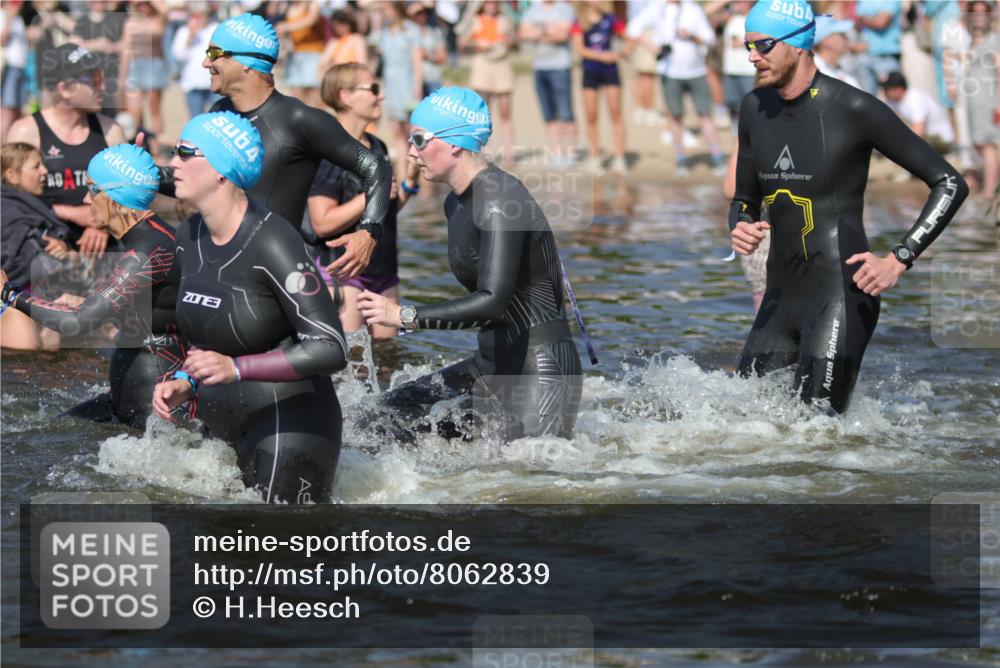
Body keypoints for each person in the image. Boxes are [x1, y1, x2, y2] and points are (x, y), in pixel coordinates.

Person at [729, 0, 968, 414]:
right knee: (743, 421)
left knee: (820, 441)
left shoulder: (854, 108)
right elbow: (745, 199)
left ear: (799, 44)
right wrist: (741, 224)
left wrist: (899, 258)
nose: (753, 57)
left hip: (840, 295)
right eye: (748, 46)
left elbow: (949, 183)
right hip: (780, 297)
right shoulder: (754, 109)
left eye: (763, 45)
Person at [358, 88, 583, 441]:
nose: (411, 151)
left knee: (528, 479)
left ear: (455, 144)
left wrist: (402, 315)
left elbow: (493, 301)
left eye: (419, 139)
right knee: (378, 419)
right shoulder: (456, 204)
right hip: (490, 361)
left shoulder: (499, 200)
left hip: (540, 369)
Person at [152, 111, 348, 504]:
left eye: (185, 152)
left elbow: (332, 347)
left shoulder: (273, 241)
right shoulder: (188, 235)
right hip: (223, 418)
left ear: (223, 170)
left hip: (290, 424)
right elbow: (213, 332)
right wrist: (187, 380)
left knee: (278, 553)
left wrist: (236, 369)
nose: (173, 162)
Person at [160, 13, 392, 281]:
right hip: (219, 267)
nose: (204, 62)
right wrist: (134, 174)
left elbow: (376, 167)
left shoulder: (299, 120)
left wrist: (369, 232)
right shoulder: (219, 113)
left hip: (272, 277)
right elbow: (191, 179)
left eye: (214, 53)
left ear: (247, 63)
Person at [1, 144, 183, 428]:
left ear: (114, 197)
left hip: (153, 401)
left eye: (93, 190)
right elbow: (149, 305)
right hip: (131, 388)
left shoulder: (147, 251)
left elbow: (77, 323)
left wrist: (9, 294)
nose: (86, 199)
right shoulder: (146, 237)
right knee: (45, 431)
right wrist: (89, 299)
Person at [308, 63, 420, 340]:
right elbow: (321, 223)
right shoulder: (329, 152)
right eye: (373, 89)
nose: (381, 96)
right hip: (345, 272)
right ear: (345, 96)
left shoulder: (378, 146)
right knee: (351, 362)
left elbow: (386, 210)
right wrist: (374, 192)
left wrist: (410, 183)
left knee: (386, 357)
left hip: (384, 269)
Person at [6, 43, 127, 257]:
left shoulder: (111, 131)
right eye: (93, 80)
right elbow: (10, 200)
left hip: (102, 251)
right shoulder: (26, 131)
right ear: (65, 89)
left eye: (101, 77)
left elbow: (131, 192)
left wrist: (104, 222)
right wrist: (69, 213)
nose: (102, 86)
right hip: (46, 248)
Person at [627, 0, 726, 177]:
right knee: (675, 117)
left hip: (696, 71)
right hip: (669, 72)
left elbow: (710, 38)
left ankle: (717, 157)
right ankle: (681, 160)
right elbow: (632, 29)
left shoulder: (692, 8)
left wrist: (692, 35)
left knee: (705, 115)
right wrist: (654, 47)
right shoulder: (657, 7)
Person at [0, 142, 73, 351]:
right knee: (28, 360)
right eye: (36, 166)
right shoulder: (5, 211)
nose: (45, 171)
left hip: (40, 300)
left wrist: (63, 248)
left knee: (51, 357)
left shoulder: (39, 208)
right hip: (11, 306)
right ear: (12, 175)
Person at [572, 0, 629, 175]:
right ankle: (594, 157)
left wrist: (620, 54)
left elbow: (630, 38)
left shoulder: (611, 19)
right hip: (590, 72)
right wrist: (601, 56)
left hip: (610, 72)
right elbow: (579, 49)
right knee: (591, 116)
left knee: (616, 113)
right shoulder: (579, 21)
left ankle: (619, 158)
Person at [518, 0, 577, 166]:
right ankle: (556, 152)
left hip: (560, 66)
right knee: (549, 114)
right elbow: (522, 34)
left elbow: (562, 35)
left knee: (566, 113)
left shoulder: (565, 9)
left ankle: (571, 153)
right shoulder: (532, 10)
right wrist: (548, 30)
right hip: (539, 67)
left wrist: (537, 31)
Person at [372, 2, 424, 183]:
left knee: (413, 133)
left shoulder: (411, 29)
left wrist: (418, 87)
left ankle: (417, 174)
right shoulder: (385, 32)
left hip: (407, 84)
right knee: (397, 133)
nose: (385, 14)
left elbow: (417, 61)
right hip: (391, 85)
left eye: (387, 9)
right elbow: (380, 60)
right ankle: (403, 176)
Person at [460, 1, 515, 167]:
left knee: (505, 112)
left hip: (501, 65)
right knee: (483, 114)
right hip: (482, 66)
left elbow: (514, 40)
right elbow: (462, 42)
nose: (492, 4)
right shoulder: (475, 20)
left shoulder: (505, 20)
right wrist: (477, 44)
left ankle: (509, 154)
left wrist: (507, 41)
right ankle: (484, 153)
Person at [122, 1, 168, 147]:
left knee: (154, 109)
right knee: (135, 111)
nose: (143, 6)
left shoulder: (158, 20)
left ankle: (157, 144)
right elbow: (126, 49)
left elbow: (165, 9)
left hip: (154, 65)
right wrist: (122, 76)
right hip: (135, 66)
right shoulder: (131, 22)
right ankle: (140, 144)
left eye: (145, 3)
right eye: (139, 4)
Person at [881, 72, 955, 152]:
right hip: (926, 138)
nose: (884, 92)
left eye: (887, 89)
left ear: (898, 89)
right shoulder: (895, 101)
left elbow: (919, 131)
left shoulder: (915, 98)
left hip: (940, 139)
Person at [170, 2, 219, 118]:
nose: (197, 19)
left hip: (213, 81)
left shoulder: (215, 28)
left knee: (220, 117)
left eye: (200, 15)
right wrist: (190, 36)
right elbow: (178, 56)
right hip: (192, 83)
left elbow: (218, 54)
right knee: (197, 119)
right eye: (194, 16)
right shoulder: (183, 31)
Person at [276, 0, 325, 107]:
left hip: (313, 53)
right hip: (295, 54)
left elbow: (311, 20)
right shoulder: (288, 7)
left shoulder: (312, 4)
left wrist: (287, 26)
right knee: (297, 94)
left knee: (314, 94)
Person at [721, 0, 758, 128]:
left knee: (751, 106)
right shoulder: (731, 19)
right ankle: (736, 134)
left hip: (749, 71)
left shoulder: (757, 20)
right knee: (732, 105)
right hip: (730, 70)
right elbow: (708, 13)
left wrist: (744, 44)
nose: (738, 3)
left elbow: (762, 43)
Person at [854, 0, 903, 95]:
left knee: (894, 96)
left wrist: (864, 19)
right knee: (867, 99)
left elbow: (881, 23)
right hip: (865, 56)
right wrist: (870, 19)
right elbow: (858, 25)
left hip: (886, 56)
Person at [1, 0, 30, 142]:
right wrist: (9, 19)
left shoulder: (18, 19)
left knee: (19, 110)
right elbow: (2, 40)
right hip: (9, 67)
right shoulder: (2, 16)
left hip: (20, 67)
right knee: (7, 110)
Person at [813, 16, 862, 89]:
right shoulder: (815, 74)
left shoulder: (839, 72)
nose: (847, 38)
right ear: (826, 41)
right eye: (842, 34)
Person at [409, 2, 447, 95]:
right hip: (412, 79)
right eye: (418, 13)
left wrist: (428, 56)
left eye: (424, 13)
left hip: (432, 77)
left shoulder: (435, 32)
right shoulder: (407, 33)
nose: (421, 16)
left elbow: (442, 57)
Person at [317, 8, 368, 73]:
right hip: (338, 76)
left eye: (342, 24)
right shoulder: (334, 42)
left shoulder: (356, 39)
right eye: (337, 25)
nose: (340, 28)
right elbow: (323, 62)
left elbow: (362, 62)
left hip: (353, 74)